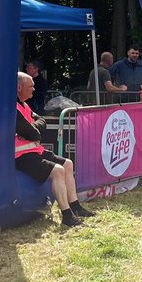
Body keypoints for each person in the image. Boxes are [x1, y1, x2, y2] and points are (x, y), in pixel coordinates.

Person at [16, 73, 93, 227]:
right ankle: (66, 215)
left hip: (35, 150)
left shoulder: (25, 105)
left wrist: (35, 128)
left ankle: (75, 206)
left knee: (68, 164)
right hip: (20, 155)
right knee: (57, 170)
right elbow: (33, 133)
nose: (34, 89)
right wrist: (35, 129)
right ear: (19, 87)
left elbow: (41, 121)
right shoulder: (13, 108)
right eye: (31, 86)